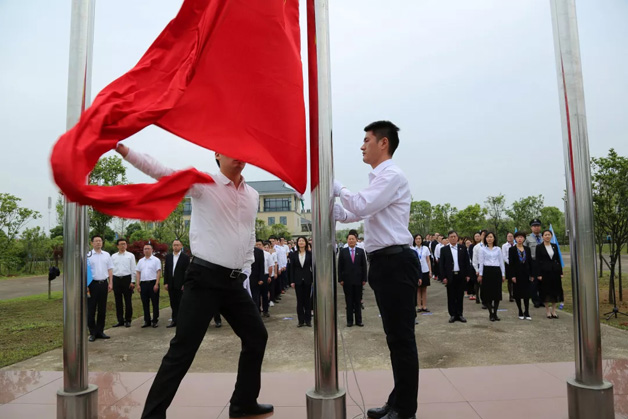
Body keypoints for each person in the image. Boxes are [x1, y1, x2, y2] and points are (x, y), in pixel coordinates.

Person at [116, 143, 273, 418]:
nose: (238, 153)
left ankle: (243, 402)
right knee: (183, 349)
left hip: (234, 283)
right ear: (217, 153)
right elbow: (164, 173)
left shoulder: (252, 194)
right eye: (230, 146)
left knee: (256, 336)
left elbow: (249, 233)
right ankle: (152, 415)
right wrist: (126, 152)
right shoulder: (204, 183)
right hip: (204, 279)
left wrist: (246, 268)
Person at [334, 120, 420, 419]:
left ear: (383, 143)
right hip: (384, 263)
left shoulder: (391, 175)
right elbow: (354, 212)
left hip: (396, 262)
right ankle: (396, 402)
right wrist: (331, 205)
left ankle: (405, 409)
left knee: (402, 338)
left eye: (366, 140)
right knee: (394, 338)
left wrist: (340, 188)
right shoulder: (378, 179)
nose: (362, 145)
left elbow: (361, 204)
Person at [439, 230, 471, 324]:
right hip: (450, 276)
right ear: (448, 238)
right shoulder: (444, 249)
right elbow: (441, 264)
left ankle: (460, 314)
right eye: (451, 237)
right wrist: (443, 277)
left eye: (454, 236)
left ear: (457, 238)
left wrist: (468, 274)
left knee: (460, 295)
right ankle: (452, 314)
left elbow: (467, 262)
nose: (453, 238)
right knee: (451, 296)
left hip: (461, 275)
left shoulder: (463, 248)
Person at [338, 232, 367, 327]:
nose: (351, 240)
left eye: (353, 239)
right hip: (347, 280)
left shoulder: (361, 251)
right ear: (347, 240)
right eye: (349, 239)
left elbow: (364, 266)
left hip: (358, 280)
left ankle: (359, 320)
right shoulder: (343, 251)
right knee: (349, 301)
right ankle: (349, 321)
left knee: (358, 301)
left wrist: (364, 279)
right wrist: (340, 279)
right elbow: (340, 266)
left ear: (356, 240)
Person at [87, 235, 113, 342]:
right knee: (91, 309)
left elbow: (110, 269)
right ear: (91, 243)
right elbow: (85, 272)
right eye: (96, 241)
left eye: (100, 241)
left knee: (102, 309)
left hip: (103, 284)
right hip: (92, 284)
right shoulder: (88, 255)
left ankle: (100, 331)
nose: (98, 243)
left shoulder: (106, 255)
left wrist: (110, 282)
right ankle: (92, 333)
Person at [477, 232, 506, 322]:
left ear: (494, 239)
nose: (489, 239)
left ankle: (496, 313)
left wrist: (503, 274)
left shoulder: (498, 249)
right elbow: (481, 263)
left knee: (497, 294)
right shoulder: (482, 249)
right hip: (487, 271)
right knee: (488, 294)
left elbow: (501, 262)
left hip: (496, 271)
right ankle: (491, 313)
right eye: (488, 237)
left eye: (491, 237)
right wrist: (480, 274)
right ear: (485, 239)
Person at [536, 229, 564, 319]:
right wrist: (539, 274)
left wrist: (560, 272)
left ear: (551, 236)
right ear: (542, 237)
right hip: (545, 272)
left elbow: (558, 259)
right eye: (545, 235)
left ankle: (554, 311)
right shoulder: (539, 247)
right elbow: (537, 261)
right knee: (546, 291)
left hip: (555, 271)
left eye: (549, 235)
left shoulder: (554, 246)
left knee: (555, 290)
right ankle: (547, 311)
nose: (547, 236)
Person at [163, 239, 190, 328]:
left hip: (181, 284)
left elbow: (187, 271)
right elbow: (166, 270)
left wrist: (184, 283)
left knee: (181, 303)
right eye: (174, 245)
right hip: (171, 284)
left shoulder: (185, 257)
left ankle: (182, 321)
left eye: (177, 245)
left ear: (181, 246)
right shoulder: (169, 257)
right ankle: (174, 320)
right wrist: (166, 282)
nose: (176, 247)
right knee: (173, 303)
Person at [111, 237, 136, 328]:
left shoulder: (130, 255)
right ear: (117, 246)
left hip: (127, 279)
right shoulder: (113, 256)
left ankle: (128, 320)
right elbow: (111, 269)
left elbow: (133, 269)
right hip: (116, 279)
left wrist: (133, 281)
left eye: (124, 244)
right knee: (118, 301)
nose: (123, 246)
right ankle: (120, 320)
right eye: (121, 244)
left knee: (128, 301)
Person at [508, 232, 534, 320]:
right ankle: (520, 310)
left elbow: (530, 262)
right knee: (518, 294)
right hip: (517, 274)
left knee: (527, 294)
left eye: (521, 237)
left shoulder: (527, 249)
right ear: (515, 239)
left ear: (524, 239)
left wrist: (532, 274)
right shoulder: (512, 249)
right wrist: (512, 275)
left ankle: (527, 311)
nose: (520, 239)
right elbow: (511, 264)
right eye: (518, 237)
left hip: (526, 274)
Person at [136, 243, 162, 328]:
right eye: (145, 249)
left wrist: (156, 284)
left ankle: (155, 320)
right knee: (145, 303)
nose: (146, 250)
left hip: (153, 283)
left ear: (152, 250)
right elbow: (138, 272)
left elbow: (158, 272)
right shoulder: (140, 261)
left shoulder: (156, 260)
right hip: (143, 284)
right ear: (143, 251)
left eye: (148, 248)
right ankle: (147, 320)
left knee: (155, 303)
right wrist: (138, 284)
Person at [289, 236, 313, 327]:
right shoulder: (293, 254)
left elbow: (313, 267)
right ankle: (301, 321)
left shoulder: (310, 254)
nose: (301, 242)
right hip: (297, 280)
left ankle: (308, 320)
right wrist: (292, 281)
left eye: (303, 241)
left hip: (307, 279)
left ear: (306, 243)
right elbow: (291, 269)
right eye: (300, 241)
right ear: (297, 243)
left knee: (307, 300)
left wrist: (313, 279)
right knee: (299, 301)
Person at [525, 219, 544, 308]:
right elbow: (525, 251)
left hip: (543, 262)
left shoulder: (543, 236)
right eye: (534, 226)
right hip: (533, 262)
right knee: (534, 282)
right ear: (531, 227)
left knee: (543, 282)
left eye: (538, 226)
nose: (536, 227)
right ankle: (535, 300)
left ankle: (542, 300)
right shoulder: (528, 238)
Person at [412, 234, 432, 313]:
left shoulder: (425, 248)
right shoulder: (412, 249)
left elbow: (428, 260)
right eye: (416, 239)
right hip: (416, 272)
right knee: (418, 289)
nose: (418, 240)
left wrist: (430, 271)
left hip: (425, 270)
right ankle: (419, 306)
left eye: (419, 238)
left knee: (424, 289)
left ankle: (424, 306)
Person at [471, 230, 487, 309]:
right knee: (479, 284)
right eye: (483, 235)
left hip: (488, 267)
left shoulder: (490, 246)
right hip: (479, 266)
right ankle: (481, 299)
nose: (484, 236)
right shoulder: (476, 247)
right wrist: (477, 270)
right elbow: (474, 259)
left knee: (486, 285)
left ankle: (487, 300)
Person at [502, 232, 515, 302]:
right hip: (508, 263)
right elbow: (504, 256)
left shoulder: (516, 244)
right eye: (508, 236)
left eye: (511, 236)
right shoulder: (504, 246)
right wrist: (510, 263)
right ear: (507, 237)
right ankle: (511, 295)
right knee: (510, 280)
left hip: (516, 264)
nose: (510, 237)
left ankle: (516, 294)